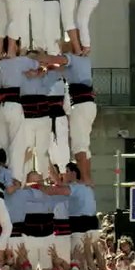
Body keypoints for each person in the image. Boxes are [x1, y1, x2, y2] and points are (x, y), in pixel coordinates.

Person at [0, 53, 39, 181]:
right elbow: (37, 63)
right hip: (12, 105)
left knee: (1, 145)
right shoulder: (19, 62)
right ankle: (14, 179)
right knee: (16, 145)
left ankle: (2, 177)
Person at [46, 45, 96, 185]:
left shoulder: (74, 59)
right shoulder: (79, 62)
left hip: (79, 105)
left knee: (79, 146)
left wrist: (38, 59)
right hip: (83, 105)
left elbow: (55, 61)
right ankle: (85, 179)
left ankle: (85, 180)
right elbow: (58, 68)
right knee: (82, 145)